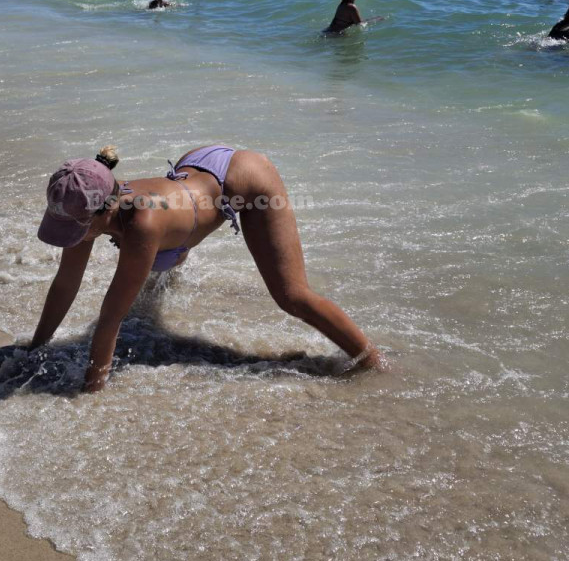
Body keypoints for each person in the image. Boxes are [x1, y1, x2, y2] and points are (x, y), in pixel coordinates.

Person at [31, 145, 381, 392]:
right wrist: (35, 350)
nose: (71, 236)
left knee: (292, 296)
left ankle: (373, 362)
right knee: (165, 254)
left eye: (76, 229)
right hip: (195, 170)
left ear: (106, 210)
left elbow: (111, 317)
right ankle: (177, 247)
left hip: (245, 181)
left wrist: (90, 392)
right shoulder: (87, 203)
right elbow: (65, 284)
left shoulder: (143, 223)